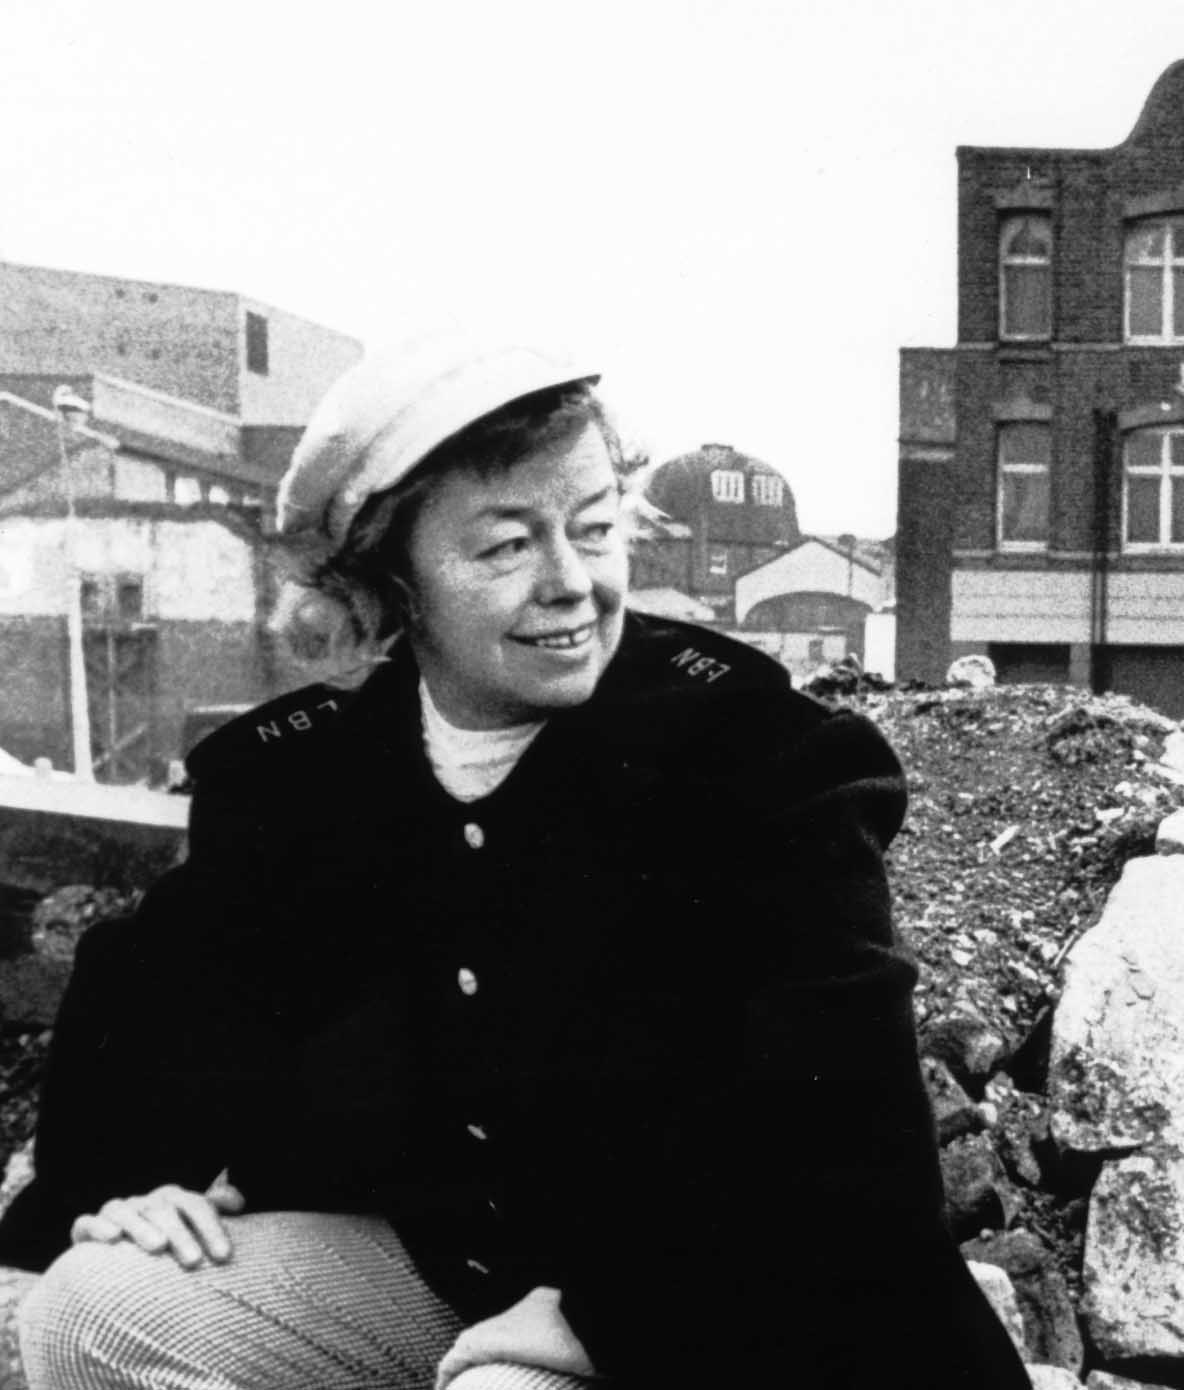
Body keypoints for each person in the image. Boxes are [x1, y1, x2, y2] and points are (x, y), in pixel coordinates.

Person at [0, 337, 1031, 1389]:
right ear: (391, 581)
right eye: (503, 549)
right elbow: (156, 1000)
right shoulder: (309, 778)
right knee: (89, 1313)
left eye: (594, 530)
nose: (572, 584)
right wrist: (132, 1187)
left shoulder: (755, 762)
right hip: (463, 1276)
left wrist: (617, 1314)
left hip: (764, 1299)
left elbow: (850, 1150)